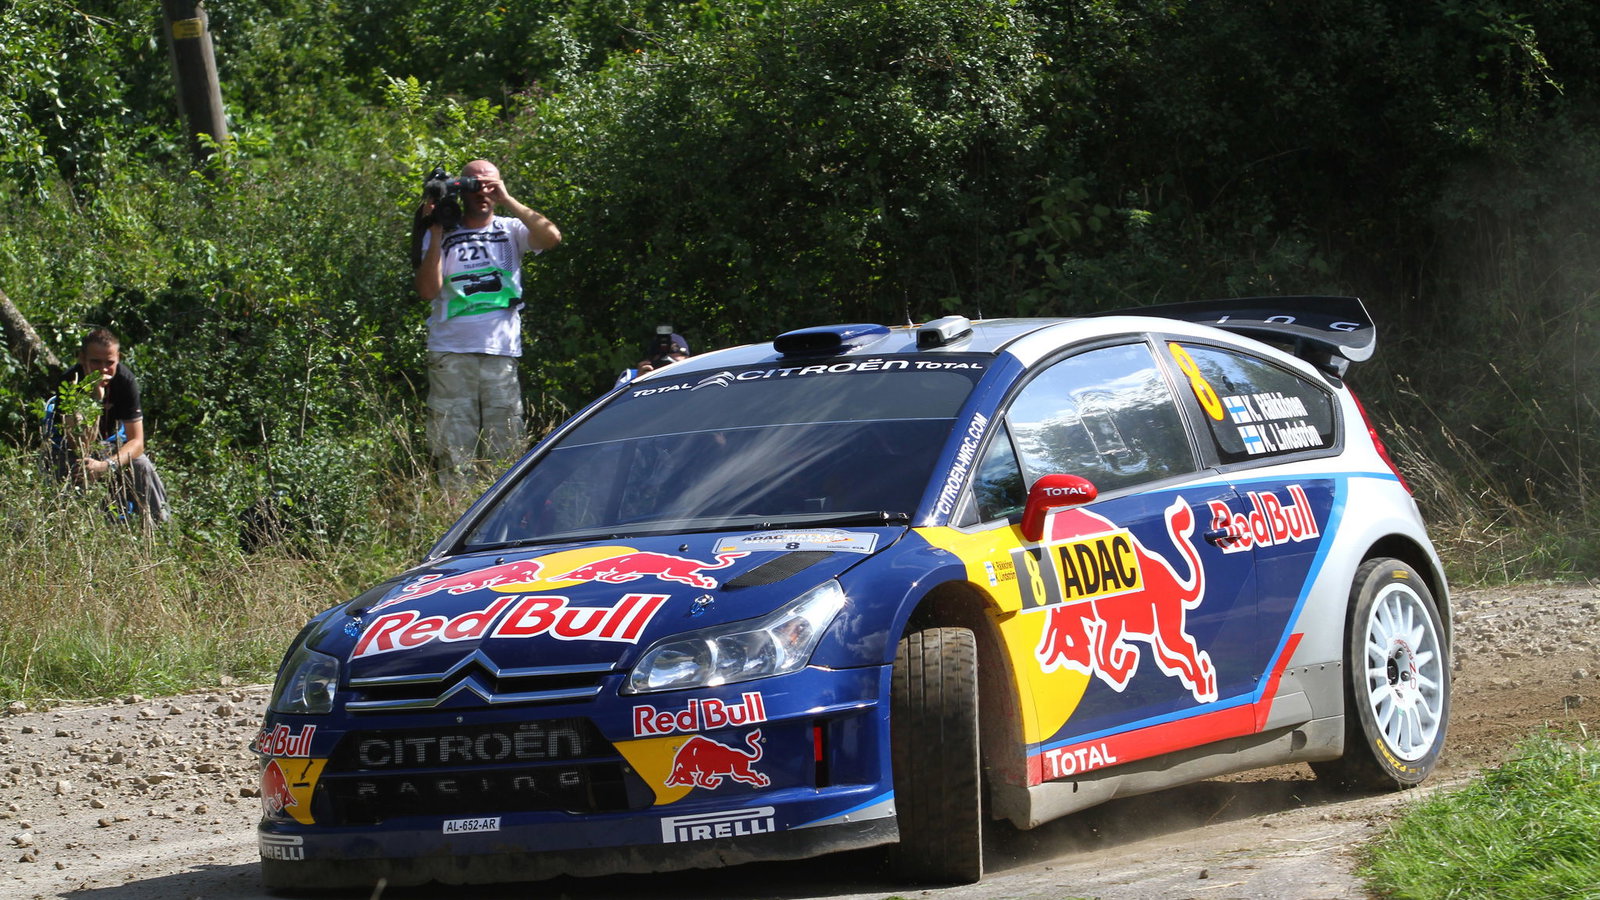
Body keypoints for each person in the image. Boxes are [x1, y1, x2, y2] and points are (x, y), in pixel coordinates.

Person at [413, 159, 562, 491]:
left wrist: (507, 199)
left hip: (500, 352)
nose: (483, 191)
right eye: (475, 184)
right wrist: (435, 230)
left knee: (506, 444)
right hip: (451, 353)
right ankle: (452, 517)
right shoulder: (443, 231)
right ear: (461, 188)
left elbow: (551, 237)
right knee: (453, 447)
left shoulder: (511, 229)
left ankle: (500, 523)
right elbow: (427, 291)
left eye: (490, 184)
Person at [53, 327, 170, 524]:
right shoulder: (70, 381)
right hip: (74, 450)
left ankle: (160, 530)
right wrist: (94, 399)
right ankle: (69, 528)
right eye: (95, 362)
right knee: (66, 467)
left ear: (119, 358)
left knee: (142, 465)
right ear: (82, 358)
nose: (103, 369)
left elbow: (137, 441)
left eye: (109, 363)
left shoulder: (125, 381)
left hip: (111, 448)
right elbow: (76, 442)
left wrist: (107, 465)